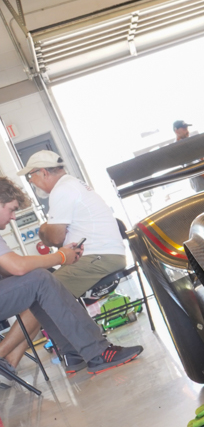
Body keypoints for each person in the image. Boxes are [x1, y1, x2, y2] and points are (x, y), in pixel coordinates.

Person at [0, 152, 131, 371]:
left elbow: (53, 237)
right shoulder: (72, 186)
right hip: (100, 255)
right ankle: (9, 356)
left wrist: (48, 235)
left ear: (43, 172)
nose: (32, 182)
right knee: (43, 284)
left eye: (31, 176)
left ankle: (71, 355)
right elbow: (36, 252)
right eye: (12, 210)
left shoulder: (63, 189)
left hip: (98, 256)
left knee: (42, 283)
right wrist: (59, 253)